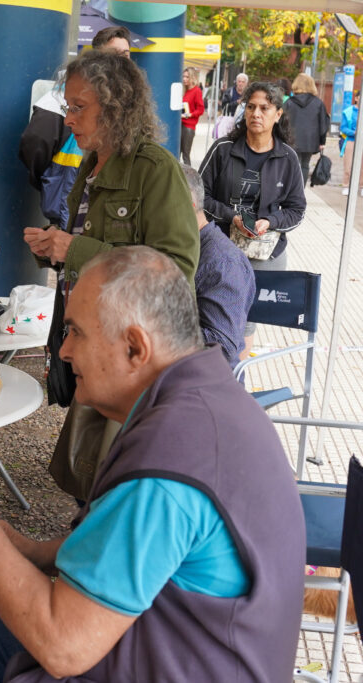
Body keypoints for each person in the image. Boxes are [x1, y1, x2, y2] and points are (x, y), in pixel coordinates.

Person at [0, 246, 305, 683]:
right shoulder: (208, 399)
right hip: (189, 649)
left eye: (76, 332)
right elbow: (132, 546)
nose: (63, 351)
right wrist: (29, 551)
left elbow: (63, 647)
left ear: (135, 346)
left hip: (165, 660)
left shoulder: (169, 463)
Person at [22, 48, 199, 500]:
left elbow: (176, 270)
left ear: (115, 106)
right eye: (68, 107)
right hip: (96, 352)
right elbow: (98, 252)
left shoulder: (154, 169)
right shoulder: (91, 164)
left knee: (117, 486)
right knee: (93, 484)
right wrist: (55, 250)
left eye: (78, 107)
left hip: (132, 364)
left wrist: (74, 248)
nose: (68, 119)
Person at [199, 81, 306, 359]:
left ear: (278, 114)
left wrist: (270, 221)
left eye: (264, 108)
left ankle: (236, 380)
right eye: (250, 107)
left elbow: (296, 209)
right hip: (220, 249)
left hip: (265, 254)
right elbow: (198, 196)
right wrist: (230, 216)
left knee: (247, 321)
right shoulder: (222, 149)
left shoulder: (287, 158)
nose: (256, 113)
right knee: (216, 313)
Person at [16, 26, 131, 228]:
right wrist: (50, 178)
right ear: (97, 57)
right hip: (69, 208)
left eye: (126, 54)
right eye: (115, 54)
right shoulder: (69, 91)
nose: (122, 61)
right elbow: (35, 140)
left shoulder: (126, 98)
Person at [180, 164, 255, 368]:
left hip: (204, 387)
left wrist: (155, 332)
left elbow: (221, 347)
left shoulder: (223, 263)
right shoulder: (187, 247)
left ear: (187, 203)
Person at [285, 73, 330, 182]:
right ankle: (301, 191)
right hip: (310, 141)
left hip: (291, 140)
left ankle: (291, 189)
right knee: (305, 165)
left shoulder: (289, 103)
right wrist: (322, 141)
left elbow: (282, 121)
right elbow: (324, 123)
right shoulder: (318, 103)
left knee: (292, 165)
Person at [180, 67, 205, 166]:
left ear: (192, 77)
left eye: (187, 77)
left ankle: (189, 180)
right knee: (177, 153)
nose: (184, 79)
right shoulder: (184, 90)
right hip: (180, 124)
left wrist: (191, 114)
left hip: (189, 127)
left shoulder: (197, 91)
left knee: (185, 155)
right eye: (183, 76)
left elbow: (201, 109)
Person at [341, 92, 360, 196]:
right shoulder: (348, 112)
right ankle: (346, 185)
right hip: (351, 140)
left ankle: (361, 186)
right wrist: (353, 132)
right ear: (356, 98)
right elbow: (343, 128)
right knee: (348, 165)